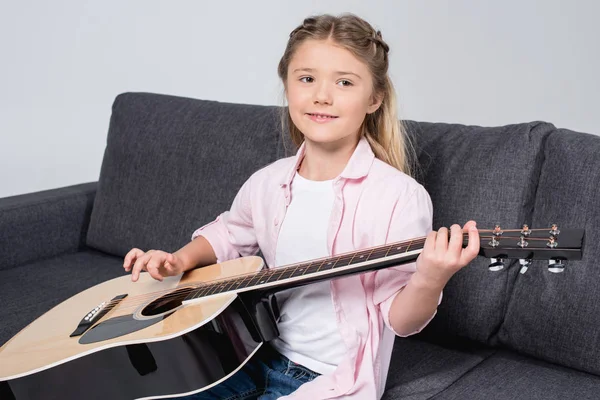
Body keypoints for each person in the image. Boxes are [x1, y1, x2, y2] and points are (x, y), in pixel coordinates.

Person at [122, 13, 479, 400]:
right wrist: (179, 260)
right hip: (253, 355)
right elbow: (229, 232)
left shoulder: (398, 197)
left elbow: (402, 321)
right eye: (306, 78)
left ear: (374, 98)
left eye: (344, 82)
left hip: (332, 381)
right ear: (288, 86)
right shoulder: (269, 181)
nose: (321, 96)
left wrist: (429, 279)